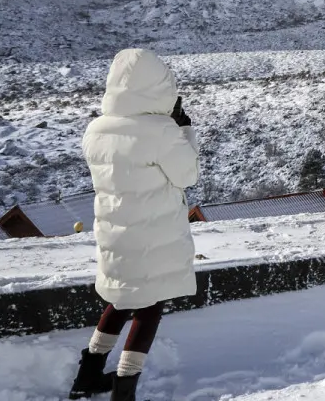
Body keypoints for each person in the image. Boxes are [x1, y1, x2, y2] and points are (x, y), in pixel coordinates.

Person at [71, 48, 200, 400]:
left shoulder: (96, 129)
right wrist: (183, 128)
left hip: (114, 233)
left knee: (120, 298)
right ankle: (124, 389)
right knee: (149, 305)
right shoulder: (160, 130)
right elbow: (187, 174)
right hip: (152, 235)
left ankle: (87, 376)